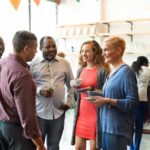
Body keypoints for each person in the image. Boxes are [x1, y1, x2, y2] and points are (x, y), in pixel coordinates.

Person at [0, 30, 46, 150]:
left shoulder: (3, 63)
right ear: (26, 48)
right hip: (17, 131)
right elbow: (27, 116)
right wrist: (39, 143)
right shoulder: (22, 75)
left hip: (2, 126)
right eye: (35, 48)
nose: (36, 51)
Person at [91, 36, 139, 150]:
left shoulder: (126, 72)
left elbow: (133, 102)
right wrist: (98, 93)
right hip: (107, 126)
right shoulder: (112, 71)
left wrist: (107, 100)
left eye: (106, 50)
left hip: (118, 129)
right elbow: (113, 93)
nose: (103, 54)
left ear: (118, 50)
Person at [30, 36, 75, 150]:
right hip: (39, 113)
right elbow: (28, 87)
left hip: (59, 112)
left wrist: (69, 102)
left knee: (54, 146)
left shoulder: (64, 63)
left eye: (53, 46)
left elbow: (71, 84)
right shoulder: (33, 65)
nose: (51, 49)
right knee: (38, 146)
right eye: (48, 46)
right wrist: (40, 91)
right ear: (40, 48)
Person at [71, 40, 108, 150]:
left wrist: (92, 89)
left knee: (94, 148)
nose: (83, 54)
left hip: (96, 115)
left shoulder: (102, 70)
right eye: (82, 51)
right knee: (78, 147)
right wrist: (75, 88)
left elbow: (107, 93)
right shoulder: (80, 70)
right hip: (81, 114)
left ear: (95, 52)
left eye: (87, 51)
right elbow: (77, 97)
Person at [130, 56, 150, 150]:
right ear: (145, 63)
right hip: (142, 100)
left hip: (131, 99)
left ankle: (131, 147)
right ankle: (136, 148)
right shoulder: (147, 69)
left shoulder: (132, 69)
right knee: (139, 128)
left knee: (130, 126)